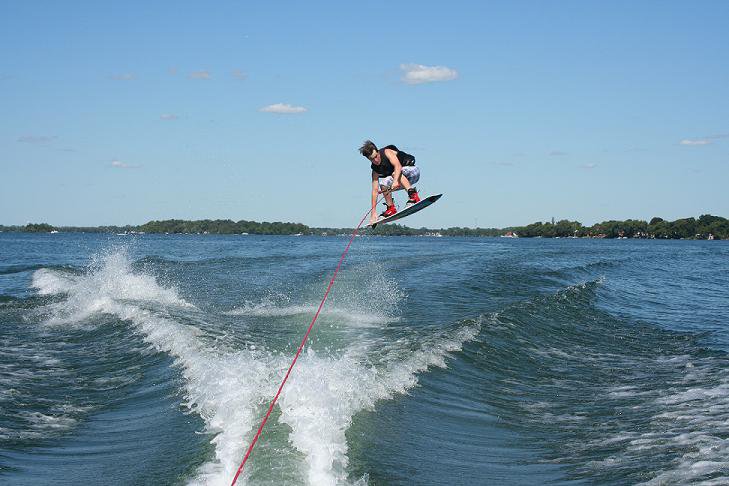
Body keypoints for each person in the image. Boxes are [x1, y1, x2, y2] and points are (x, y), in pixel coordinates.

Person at [359, 140, 421, 224]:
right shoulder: (375, 170)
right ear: (368, 159)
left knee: (395, 173)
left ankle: (414, 196)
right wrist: (373, 213)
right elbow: (374, 191)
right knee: (383, 183)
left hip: (413, 171)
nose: (376, 160)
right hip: (402, 181)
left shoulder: (387, 152)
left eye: (376, 156)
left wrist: (395, 181)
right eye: (372, 159)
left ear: (378, 152)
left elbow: (398, 166)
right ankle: (391, 208)